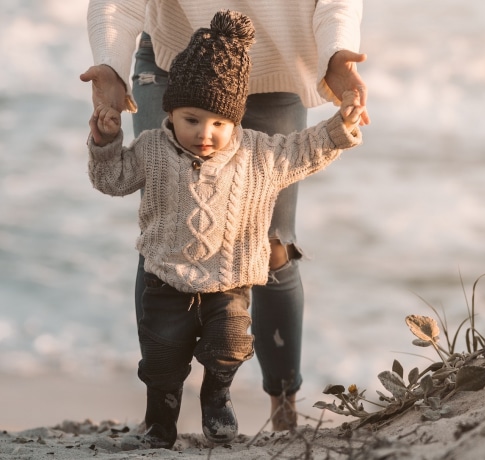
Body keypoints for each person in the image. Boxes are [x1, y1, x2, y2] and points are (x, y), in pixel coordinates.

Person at [80, 0, 369, 432]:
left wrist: (338, 54)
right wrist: (109, 65)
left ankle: (283, 403)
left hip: (277, 63)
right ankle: (160, 400)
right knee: (166, 222)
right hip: (171, 57)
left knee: (273, 242)